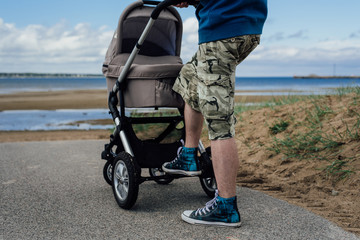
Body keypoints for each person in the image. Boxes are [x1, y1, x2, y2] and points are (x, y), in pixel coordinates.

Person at [162, 0, 268, 227]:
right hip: (248, 23)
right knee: (190, 77)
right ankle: (189, 156)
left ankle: (226, 207)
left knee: (219, 120)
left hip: (223, 27)